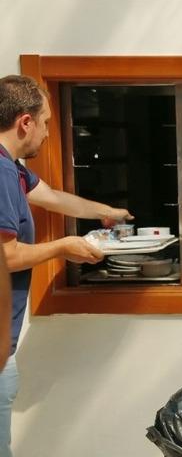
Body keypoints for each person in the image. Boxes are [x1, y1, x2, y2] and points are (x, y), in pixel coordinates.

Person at [0, 74, 133, 457]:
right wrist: (63, 246)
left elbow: (54, 198)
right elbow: (6, 256)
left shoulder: (15, 169)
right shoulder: (2, 172)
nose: (46, 134)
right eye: (45, 123)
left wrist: (108, 213)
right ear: (25, 121)